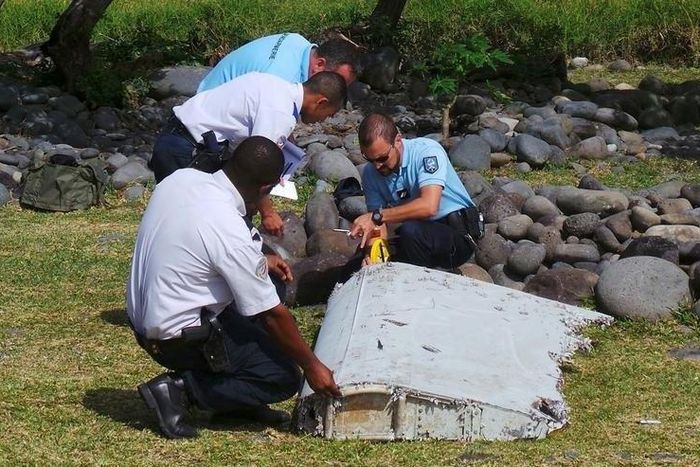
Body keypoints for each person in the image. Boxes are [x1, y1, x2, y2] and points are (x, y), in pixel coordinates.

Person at [128, 136, 341, 439]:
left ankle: (235, 401)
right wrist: (312, 365)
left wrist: (261, 261)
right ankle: (179, 390)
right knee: (280, 376)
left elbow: (197, 243)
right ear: (265, 189)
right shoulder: (227, 226)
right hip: (176, 338)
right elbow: (272, 315)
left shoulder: (182, 179)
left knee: (271, 289)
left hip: (144, 318)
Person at [149, 71, 347, 235]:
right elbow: (256, 169)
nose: (322, 121)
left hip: (176, 135)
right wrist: (268, 213)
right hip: (187, 149)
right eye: (328, 114)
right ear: (321, 101)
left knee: (174, 218)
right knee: (186, 225)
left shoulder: (274, 83)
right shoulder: (280, 113)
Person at [349, 113, 478, 269]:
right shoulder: (371, 174)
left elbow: (429, 207)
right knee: (358, 259)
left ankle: (423, 284)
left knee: (410, 232)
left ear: (397, 141)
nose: (377, 166)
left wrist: (377, 216)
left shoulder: (427, 152)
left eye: (382, 158)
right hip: (419, 233)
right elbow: (377, 226)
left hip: (457, 235)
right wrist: (373, 256)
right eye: (370, 160)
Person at [197, 33, 357, 93]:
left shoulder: (297, 41)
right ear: (320, 65)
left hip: (210, 91)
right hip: (205, 125)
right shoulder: (281, 79)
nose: (338, 92)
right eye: (338, 83)